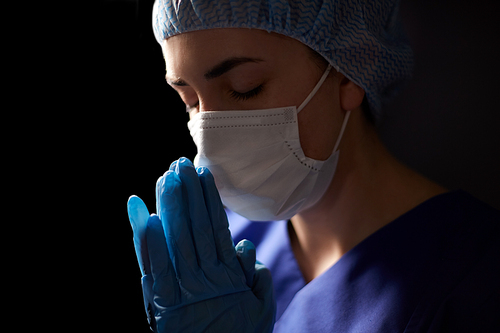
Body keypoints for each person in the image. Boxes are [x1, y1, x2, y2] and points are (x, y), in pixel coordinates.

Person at [127, 0, 500, 332]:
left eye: (246, 87)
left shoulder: (473, 276)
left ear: (352, 67)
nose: (209, 136)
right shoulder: (217, 262)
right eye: (190, 100)